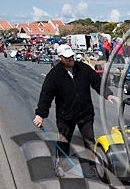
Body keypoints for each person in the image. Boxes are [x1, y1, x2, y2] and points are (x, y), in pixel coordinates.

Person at [33, 45, 120, 175]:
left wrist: (108, 94)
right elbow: (46, 96)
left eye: (72, 56)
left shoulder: (84, 68)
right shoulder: (54, 75)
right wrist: (40, 114)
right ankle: (61, 165)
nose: (71, 59)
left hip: (85, 114)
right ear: (60, 58)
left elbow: (97, 82)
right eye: (67, 57)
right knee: (64, 141)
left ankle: (92, 165)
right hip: (65, 116)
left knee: (89, 140)